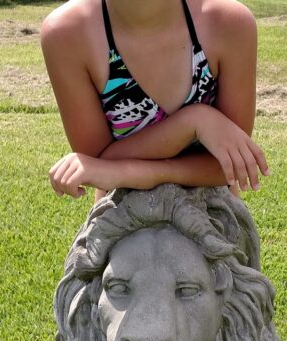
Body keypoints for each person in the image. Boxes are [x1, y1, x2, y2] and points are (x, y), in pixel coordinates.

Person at [41, 0, 269, 202]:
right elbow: (101, 160)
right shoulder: (67, 33)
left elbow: (232, 166)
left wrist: (137, 173)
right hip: (122, 214)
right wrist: (193, 122)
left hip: (212, 216)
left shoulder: (228, 23)